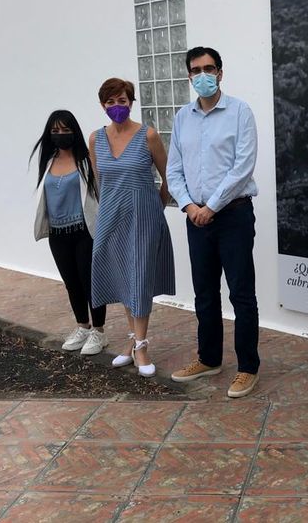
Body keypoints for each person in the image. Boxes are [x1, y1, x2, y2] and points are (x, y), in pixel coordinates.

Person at [167, 46, 261, 398]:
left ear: (220, 73)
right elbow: (173, 169)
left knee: (241, 294)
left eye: (209, 68)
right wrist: (190, 206)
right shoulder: (182, 118)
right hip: (196, 218)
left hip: (233, 214)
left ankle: (248, 367)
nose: (203, 75)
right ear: (189, 76)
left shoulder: (239, 112)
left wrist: (213, 206)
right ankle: (209, 359)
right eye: (196, 70)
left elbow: (243, 167)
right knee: (204, 294)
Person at [89, 78, 175, 377]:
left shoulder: (148, 136)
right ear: (103, 105)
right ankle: (132, 341)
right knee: (122, 278)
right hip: (110, 218)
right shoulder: (95, 139)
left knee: (138, 277)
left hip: (143, 219)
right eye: (110, 102)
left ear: (131, 102)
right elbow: (100, 182)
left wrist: (155, 208)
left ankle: (141, 347)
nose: (116, 107)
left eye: (122, 101)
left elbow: (169, 178)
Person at [31, 110, 106, 355]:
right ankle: (82, 326)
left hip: (83, 231)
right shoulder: (49, 161)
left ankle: (99, 331)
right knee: (71, 282)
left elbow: (99, 192)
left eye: (65, 130)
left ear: (74, 131)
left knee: (89, 281)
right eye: (55, 131)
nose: (61, 135)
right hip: (58, 233)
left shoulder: (86, 160)